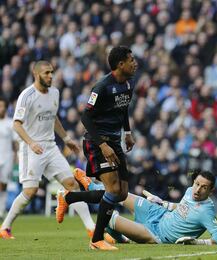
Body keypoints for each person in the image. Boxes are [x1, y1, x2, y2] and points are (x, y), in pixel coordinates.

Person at [0, 61, 96, 239]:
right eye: (46, 73)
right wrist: (30, 143)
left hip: (51, 147)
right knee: (30, 191)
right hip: (32, 149)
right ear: (36, 75)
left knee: (72, 184)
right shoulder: (27, 96)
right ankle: (5, 227)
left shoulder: (55, 92)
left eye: (51, 72)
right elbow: (16, 124)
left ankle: (92, 229)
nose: (50, 76)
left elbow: (53, 118)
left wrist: (66, 138)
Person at [55, 46, 137, 250]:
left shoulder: (127, 85)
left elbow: (123, 109)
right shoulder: (101, 87)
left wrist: (127, 133)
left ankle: (69, 196)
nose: (135, 63)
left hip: (115, 141)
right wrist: (102, 144)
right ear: (120, 64)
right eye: (131, 60)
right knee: (113, 189)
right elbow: (85, 117)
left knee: (122, 193)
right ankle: (97, 240)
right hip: (96, 142)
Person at [73, 168, 217, 245]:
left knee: (108, 217)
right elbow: (181, 208)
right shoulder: (189, 191)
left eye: (203, 187)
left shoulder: (206, 211)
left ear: (211, 191)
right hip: (158, 213)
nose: (197, 189)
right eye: (196, 184)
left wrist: (196, 242)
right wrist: (162, 202)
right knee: (120, 194)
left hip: (156, 234)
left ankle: (121, 238)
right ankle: (92, 186)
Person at [0, 97, 16, 220]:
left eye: (2, 106)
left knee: (4, 184)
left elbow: (15, 142)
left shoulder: (10, 123)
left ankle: (1, 211)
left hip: (7, 157)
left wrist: (17, 157)